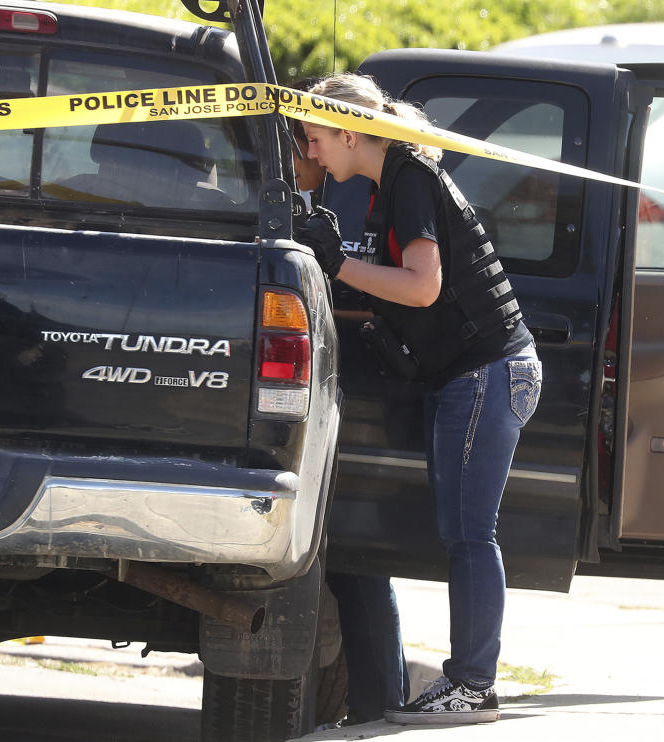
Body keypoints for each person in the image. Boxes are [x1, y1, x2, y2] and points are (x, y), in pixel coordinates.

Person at [294, 73, 542, 725]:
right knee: (462, 533)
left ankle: (473, 684)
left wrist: (337, 265)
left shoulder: (407, 179)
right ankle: (467, 678)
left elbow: (424, 286)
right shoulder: (394, 179)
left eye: (316, 138)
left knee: (469, 537)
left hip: (487, 372)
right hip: (476, 373)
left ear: (349, 133)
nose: (312, 152)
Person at [289, 78, 412, 727]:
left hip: (356, 389)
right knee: (336, 563)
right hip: (302, 397)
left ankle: (378, 700)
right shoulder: (294, 200)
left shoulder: (374, 190)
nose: (306, 150)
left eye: (309, 139)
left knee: (358, 556)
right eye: (301, 140)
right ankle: (369, 698)